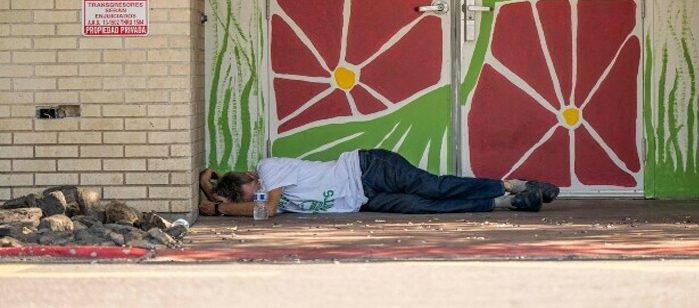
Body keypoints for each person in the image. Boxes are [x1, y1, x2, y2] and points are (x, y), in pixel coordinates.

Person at [198, 148, 559, 217]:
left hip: (368, 168)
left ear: (250, 178)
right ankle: (506, 204)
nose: (256, 199)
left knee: (432, 187)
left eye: (251, 192)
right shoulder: (259, 197)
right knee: (423, 207)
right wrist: (210, 189)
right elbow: (255, 206)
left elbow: (268, 208)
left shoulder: (268, 169)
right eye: (249, 199)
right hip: (363, 201)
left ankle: (512, 185)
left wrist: (218, 208)